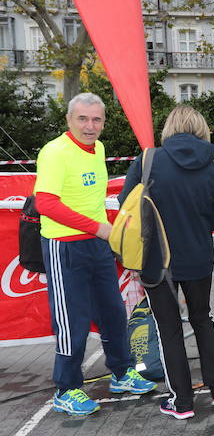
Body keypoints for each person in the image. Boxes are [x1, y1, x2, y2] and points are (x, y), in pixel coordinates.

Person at [34, 92, 156, 416]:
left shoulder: (98, 149)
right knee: (71, 321)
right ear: (69, 120)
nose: (90, 126)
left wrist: (108, 231)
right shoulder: (55, 152)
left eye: (96, 119)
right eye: (83, 119)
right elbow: (46, 204)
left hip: (98, 244)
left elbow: (90, 198)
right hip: (65, 247)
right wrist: (97, 227)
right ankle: (67, 388)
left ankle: (122, 372)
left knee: (113, 312)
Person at [119, 106, 214, 419]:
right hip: (197, 256)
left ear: (168, 128)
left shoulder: (148, 161)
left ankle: (182, 402)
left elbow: (125, 203)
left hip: (157, 261)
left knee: (168, 329)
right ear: (202, 129)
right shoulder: (212, 168)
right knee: (202, 318)